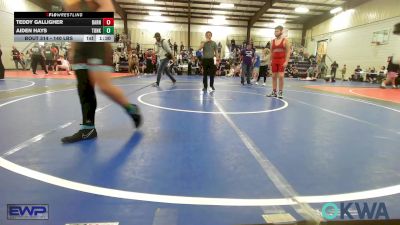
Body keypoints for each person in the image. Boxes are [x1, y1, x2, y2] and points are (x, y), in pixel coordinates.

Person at [61, 0, 142, 143]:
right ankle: (88, 128)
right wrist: (73, 48)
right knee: (84, 86)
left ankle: (131, 109)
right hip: (81, 44)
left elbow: (107, 8)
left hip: (96, 42)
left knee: (104, 86)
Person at [267, 26, 290, 98]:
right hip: (274, 60)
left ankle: (280, 92)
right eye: (275, 31)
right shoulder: (272, 41)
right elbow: (271, 52)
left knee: (281, 76)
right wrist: (269, 61)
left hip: (281, 60)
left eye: (277, 31)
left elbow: (288, 52)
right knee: (273, 76)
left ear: (281, 32)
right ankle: (274, 92)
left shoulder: (285, 40)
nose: (275, 32)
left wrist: (286, 61)